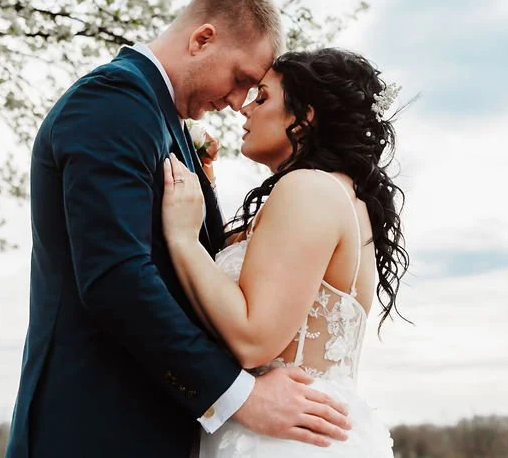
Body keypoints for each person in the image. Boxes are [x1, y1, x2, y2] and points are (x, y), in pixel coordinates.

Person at [4, 0, 351, 458]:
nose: (236, 102)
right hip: (93, 428)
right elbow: (114, 276)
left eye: (253, 91)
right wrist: (240, 397)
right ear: (202, 39)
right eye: (240, 79)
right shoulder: (113, 102)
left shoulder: (161, 122)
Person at [161, 47, 408, 457]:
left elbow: (253, 340)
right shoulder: (337, 193)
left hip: (281, 438)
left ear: (304, 116)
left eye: (262, 97)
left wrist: (183, 240)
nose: (244, 109)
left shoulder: (309, 188)